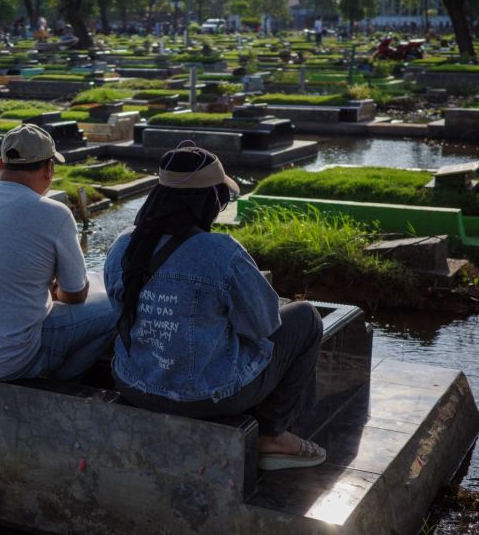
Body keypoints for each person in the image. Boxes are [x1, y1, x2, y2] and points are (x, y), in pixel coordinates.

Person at [103, 145, 326, 471]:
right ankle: (273, 435)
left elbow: (121, 309)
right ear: (209, 200)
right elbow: (265, 325)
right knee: (306, 317)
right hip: (207, 396)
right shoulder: (220, 252)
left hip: (132, 384)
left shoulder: (123, 244)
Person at [0, 124, 115, 381]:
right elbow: (75, 295)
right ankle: (60, 384)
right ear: (49, 169)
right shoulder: (54, 213)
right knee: (116, 305)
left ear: (0, 164)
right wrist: (57, 292)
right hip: (8, 359)